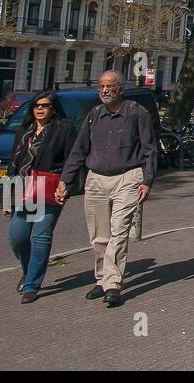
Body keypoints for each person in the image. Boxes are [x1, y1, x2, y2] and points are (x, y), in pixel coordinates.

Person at [56, 71, 157, 308]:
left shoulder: (136, 113)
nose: (105, 90)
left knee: (119, 231)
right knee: (99, 236)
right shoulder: (94, 115)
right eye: (101, 86)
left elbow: (150, 149)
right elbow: (79, 150)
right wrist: (65, 180)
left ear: (120, 89)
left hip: (128, 177)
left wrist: (147, 180)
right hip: (97, 179)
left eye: (110, 86)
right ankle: (101, 278)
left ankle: (113, 284)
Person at [6, 91, 76, 304]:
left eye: (44, 106)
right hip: (23, 189)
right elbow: (14, 164)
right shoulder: (25, 132)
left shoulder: (64, 130)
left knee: (40, 236)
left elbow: (73, 159)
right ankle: (28, 272)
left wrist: (66, 183)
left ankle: (31, 285)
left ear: (53, 109)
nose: (39, 109)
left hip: (48, 189)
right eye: (36, 106)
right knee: (17, 236)